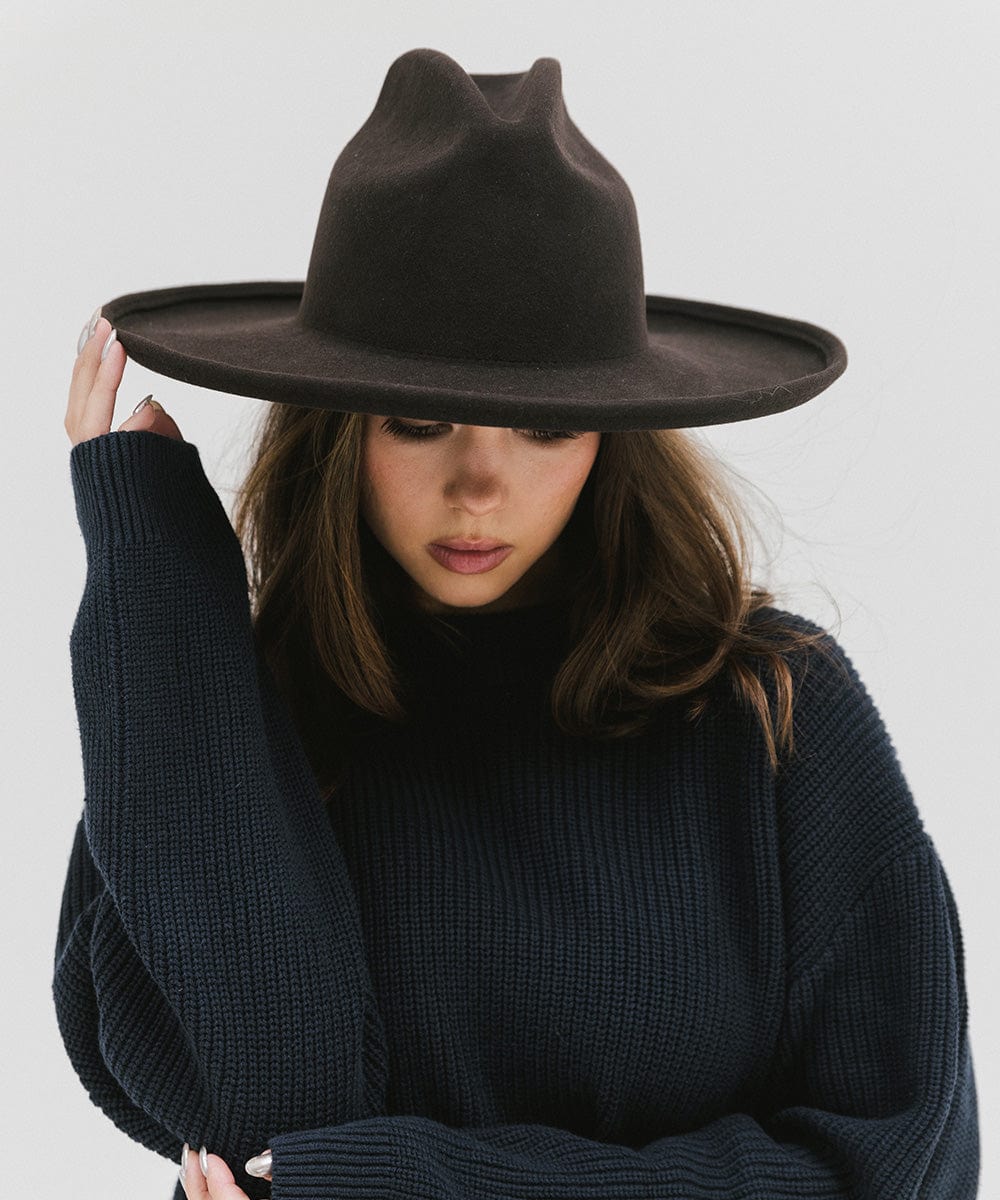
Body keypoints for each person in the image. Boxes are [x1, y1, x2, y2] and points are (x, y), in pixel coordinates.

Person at [54, 48, 979, 1200]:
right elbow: (259, 1108)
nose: (479, 486)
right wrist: (156, 576)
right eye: (415, 422)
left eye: (544, 428)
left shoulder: (772, 711)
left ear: (614, 436)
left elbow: (891, 1167)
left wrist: (412, 1181)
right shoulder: (231, 717)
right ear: (337, 430)